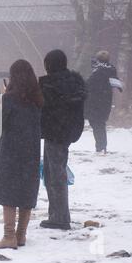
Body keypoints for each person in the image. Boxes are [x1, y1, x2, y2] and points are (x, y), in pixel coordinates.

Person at [0, 59, 44, 249]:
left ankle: (8, 236)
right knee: (26, 191)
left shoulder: (9, 99)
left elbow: (0, 121)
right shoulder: (38, 99)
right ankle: (21, 235)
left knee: (9, 192)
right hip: (30, 151)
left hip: (10, 151)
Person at [39, 50, 87, 230]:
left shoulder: (50, 85)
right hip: (68, 133)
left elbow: (43, 108)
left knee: (55, 175)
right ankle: (58, 214)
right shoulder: (75, 83)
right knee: (55, 173)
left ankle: (59, 218)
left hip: (54, 133)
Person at [84, 51, 123, 154]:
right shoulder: (111, 69)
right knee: (100, 124)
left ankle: (100, 147)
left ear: (98, 59)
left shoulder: (98, 71)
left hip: (95, 102)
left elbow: (88, 85)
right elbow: (117, 84)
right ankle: (102, 147)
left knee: (97, 125)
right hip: (105, 101)